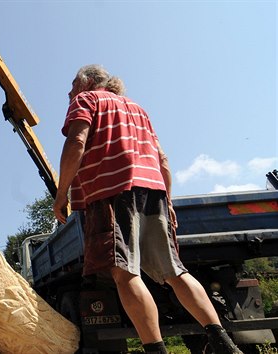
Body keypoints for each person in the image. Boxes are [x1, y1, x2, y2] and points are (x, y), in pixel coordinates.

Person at [53, 64, 242, 354]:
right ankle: (224, 344)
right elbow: (162, 159)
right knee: (175, 272)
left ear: (88, 82)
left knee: (125, 273)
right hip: (154, 191)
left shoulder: (87, 100)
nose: (69, 92)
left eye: (72, 85)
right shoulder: (138, 110)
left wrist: (61, 193)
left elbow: (77, 140)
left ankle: (156, 350)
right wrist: (168, 201)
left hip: (112, 193)